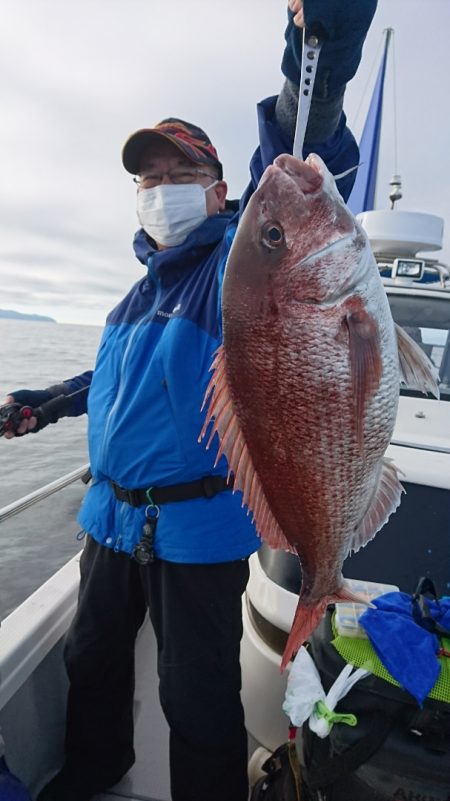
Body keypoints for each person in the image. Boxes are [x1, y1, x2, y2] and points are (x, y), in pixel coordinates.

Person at [2, 2, 377, 799]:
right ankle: (94, 770)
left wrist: (319, 45)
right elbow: (108, 382)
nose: (163, 191)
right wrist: (41, 402)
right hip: (109, 519)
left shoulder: (237, 271)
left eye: (183, 177)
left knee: (195, 693)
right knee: (89, 661)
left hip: (195, 529)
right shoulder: (133, 298)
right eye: (150, 180)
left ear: (220, 194)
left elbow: (296, 140)